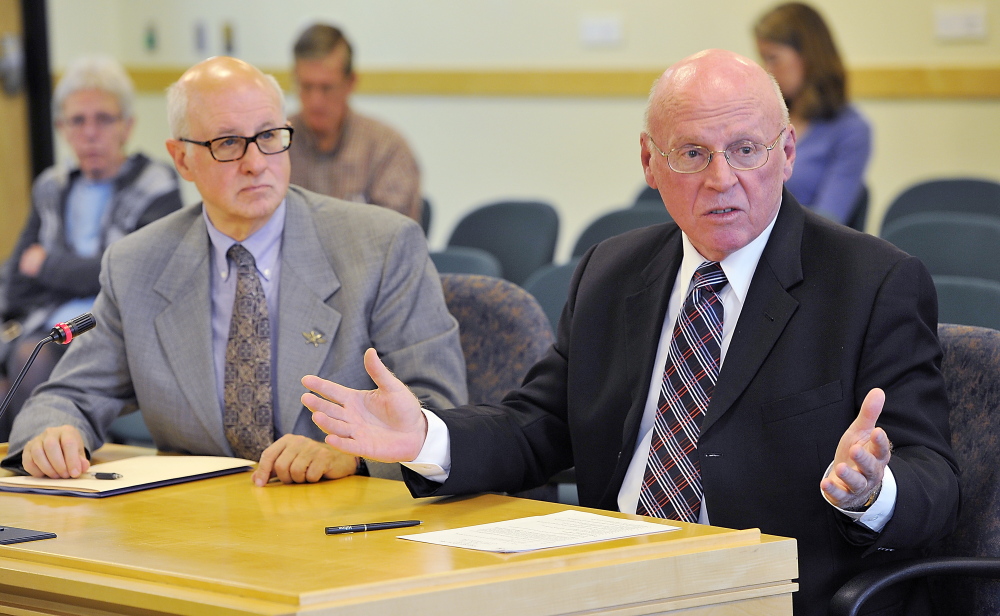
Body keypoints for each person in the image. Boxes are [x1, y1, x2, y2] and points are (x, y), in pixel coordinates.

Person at [302, 50, 959, 616]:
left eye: (746, 150)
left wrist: (873, 491)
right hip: (612, 585)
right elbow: (538, 426)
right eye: (693, 153)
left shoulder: (872, 282)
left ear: (786, 154)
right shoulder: (613, 271)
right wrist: (424, 435)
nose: (721, 178)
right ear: (650, 161)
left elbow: (934, 480)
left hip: (767, 592)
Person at [1, 57, 467, 488]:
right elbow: (66, 397)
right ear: (182, 158)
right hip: (196, 533)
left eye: (268, 136)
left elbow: (441, 411)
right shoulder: (137, 264)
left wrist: (356, 457)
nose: (256, 163)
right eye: (227, 143)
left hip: (344, 526)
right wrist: (51, 434)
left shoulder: (380, 246)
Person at [0, 55, 182, 441]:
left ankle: (42, 471)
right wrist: (83, 273)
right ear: (61, 128)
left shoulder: (156, 185)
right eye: (77, 121)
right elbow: (16, 281)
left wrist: (48, 266)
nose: (90, 133)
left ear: (127, 126)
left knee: (29, 356)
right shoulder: (52, 186)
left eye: (103, 119)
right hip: (43, 324)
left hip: (111, 329)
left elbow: (133, 276)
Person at [289, 23, 422, 222]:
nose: (315, 101)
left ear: (350, 83)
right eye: (306, 87)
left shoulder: (386, 147)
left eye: (326, 88)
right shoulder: (277, 142)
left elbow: (393, 240)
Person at [755, 2, 872, 226]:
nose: (765, 70)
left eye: (772, 58)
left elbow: (828, 221)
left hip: (802, 251)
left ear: (807, 59)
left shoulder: (850, 130)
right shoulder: (763, 118)